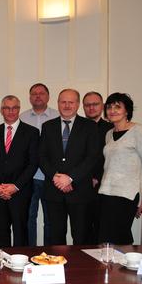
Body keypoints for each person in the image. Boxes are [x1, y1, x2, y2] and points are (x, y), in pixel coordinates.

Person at [39, 88, 99, 245]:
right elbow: (42, 156)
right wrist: (56, 177)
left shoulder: (90, 126)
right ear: (58, 103)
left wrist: (70, 178)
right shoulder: (48, 126)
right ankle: (56, 267)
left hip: (80, 190)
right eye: (63, 102)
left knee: (81, 235)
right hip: (54, 190)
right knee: (56, 236)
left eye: (71, 102)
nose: (67, 105)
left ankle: (80, 269)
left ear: (78, 104)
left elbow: (92, 157)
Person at [98, 93, 142, 244]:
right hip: (106, 192)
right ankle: (108, 267)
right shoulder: (109, 134)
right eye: (109, 107)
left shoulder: (139, 131)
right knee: (105, 238)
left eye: (117, 106)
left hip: (127, 194)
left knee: (120, 237)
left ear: (127, 111)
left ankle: (124, 267)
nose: (112, 110)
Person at [0, 96, 39, 247]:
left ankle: (20, 266)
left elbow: (33, 163)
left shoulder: (31, 132)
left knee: (21, 232)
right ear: (2, 110)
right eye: (7, 108)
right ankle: (2, 266)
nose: (11, 111)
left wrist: (14, 186)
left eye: (14, 108)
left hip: (20, 191)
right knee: (0, 232)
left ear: (19, 109)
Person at [20, 83, 59, 246]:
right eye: (34, 94)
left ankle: (48, 254)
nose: (38, 96)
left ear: (48, 96)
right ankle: (30, 251)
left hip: (51, 177)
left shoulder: (58, 117)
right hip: (29, 178)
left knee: (51, 220)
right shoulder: (21, 118)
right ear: (29, 98)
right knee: (29, 218)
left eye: (41, 93)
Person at [82, 91, 113, 243]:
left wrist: (97, 177)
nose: (91, 108)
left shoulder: (111, 128)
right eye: (87, 105)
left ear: (102, 106)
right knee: (83, 228)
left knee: (102, 228)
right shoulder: (78, 126)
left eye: (95, 104)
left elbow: (110, 159)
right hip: (81, 184)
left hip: (104, 185)